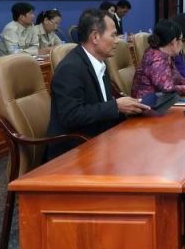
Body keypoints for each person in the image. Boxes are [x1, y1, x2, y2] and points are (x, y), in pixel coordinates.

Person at [47, 9, 148, 156]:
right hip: (74, 150)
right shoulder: (70, 69)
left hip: (101, 140)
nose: (117, 40)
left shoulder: (99, 62)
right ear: (95, 37)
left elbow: (101, 105)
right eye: (113, 35)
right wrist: (116, 106)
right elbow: (71, 116)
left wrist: (134, 109)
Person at [132, 20, 185, 98]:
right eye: (181, 40)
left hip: (162, 100)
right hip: (147, 102)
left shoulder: (168, 56)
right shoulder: (156, 59)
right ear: (173, 42)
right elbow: (167, 88)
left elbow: (180, 80)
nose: (182, 44)